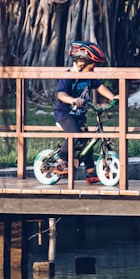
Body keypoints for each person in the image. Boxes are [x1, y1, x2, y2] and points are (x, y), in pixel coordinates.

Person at [53, 40, 119, 183]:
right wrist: (72, 100)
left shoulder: (89, 77)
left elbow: (100, 86)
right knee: (75, 135)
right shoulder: (69, 77)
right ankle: (61, 160)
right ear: (81, 64)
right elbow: (61, 95)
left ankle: (91, 172)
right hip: (65, 115)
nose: (94, 70)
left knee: (87, 142)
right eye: (92, 66)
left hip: (79, 116)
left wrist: (113, 97)